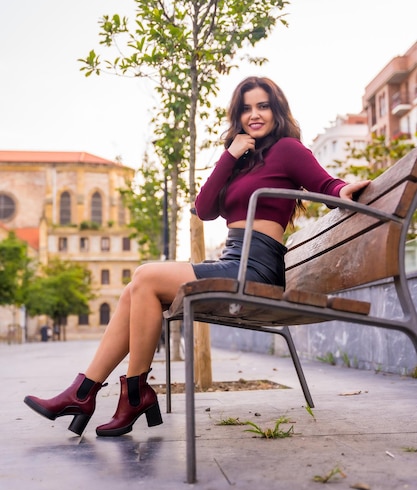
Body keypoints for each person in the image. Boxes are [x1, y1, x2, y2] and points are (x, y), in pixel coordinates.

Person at [24, 76, 370, 438]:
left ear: (276, 109)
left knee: (145, 276)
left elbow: (326, 184)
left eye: (263, 106)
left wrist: (345, 189)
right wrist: (230, 154)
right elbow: (204, 209)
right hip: (234, 261)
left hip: (256, 267)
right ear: (237, 116)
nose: (255, 114)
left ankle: (115, 394)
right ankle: (89, 393)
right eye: (246, 108)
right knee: (134, 289)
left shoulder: (287, 149)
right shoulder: (241, 160)